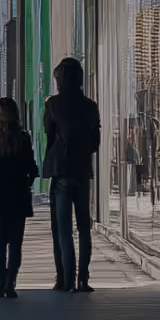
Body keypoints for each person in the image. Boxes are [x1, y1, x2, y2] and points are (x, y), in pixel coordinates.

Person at [41, 58, 101, 292]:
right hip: (82, 170)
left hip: (61, 172)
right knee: (83, 227)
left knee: (62, 227)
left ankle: (65, 278)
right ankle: (83, 278)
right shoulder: (90, 106)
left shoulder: (53, 105)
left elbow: (49, 135)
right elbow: (96, 142)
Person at [0, 97, 38, 298]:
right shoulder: (22, 137)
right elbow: (32, 168)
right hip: (17, 196)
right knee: (15, 243)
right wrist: (28, 180)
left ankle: (0, 283)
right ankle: (11, 282)